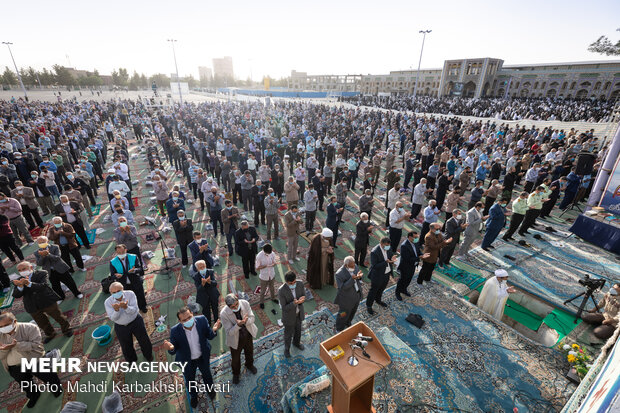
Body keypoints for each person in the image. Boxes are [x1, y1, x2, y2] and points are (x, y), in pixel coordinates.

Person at [0, 312, 63, 408]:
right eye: (1, 326)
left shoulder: (30, 328)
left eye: (6, 325)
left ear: (14, 321)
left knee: (48, 376)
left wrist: (16, 345)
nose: (4, 328)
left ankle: (56, 388)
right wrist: (5, 349)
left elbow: (36, 346)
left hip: (34, 360)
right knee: (25, 383)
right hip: (14, 367)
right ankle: (34, 395)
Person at [163, 307, 222, 408]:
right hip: (187, 360)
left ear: (192, 314)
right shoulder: (175, 331)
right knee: (190, 380)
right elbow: (173, 349)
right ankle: (193, 396)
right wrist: (171, 348)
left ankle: (210, 390)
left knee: (207, 374)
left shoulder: (202, 320)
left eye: (189, 317)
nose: (187, 321)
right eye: (184, 320)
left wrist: (214, 330)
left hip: (202, 356)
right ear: (179, 321)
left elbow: (209, 335)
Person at [11, 261, 72, 343]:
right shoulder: (18, 280)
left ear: (31, 268)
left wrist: (29, 283)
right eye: (20, 270)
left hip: (46, 301)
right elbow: (16, 295)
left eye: (24, 269)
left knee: (59, 317)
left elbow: (43, 286)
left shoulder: (42, 273)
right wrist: (20, 287)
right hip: (32, 305)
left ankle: (67, 330)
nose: (22, 271)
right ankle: (50, 334)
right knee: (42, 323)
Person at [105, 282, 153, 362]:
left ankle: (148, 356)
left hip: (135, 321)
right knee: (126, 346)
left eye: (119, 291)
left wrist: (126, 307)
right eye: (114, 292)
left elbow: (135, 310)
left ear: (123, 289)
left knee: (144, 341)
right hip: (121, 326)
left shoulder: (130, 294)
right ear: (110, 293)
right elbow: (113, 318)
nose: (117, 293)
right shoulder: (108, 302)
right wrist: (116, 310)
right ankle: (132, 361)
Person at [219, 294, 258, 384]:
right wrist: (238, 325)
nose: (236, 307)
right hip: (235, 339)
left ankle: (249, 365)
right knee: (235, 358)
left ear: (238, 301)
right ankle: (236, 373)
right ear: (228, 307)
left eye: (237, 304)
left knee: (249, 351)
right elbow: (229, 332)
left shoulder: (244, 303)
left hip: (247, 334)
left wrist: (245, 322)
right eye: (233, 306)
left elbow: (252, 318)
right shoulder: (224, 314)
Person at [34, 236, 82, 301]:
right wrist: (42, 256)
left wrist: (48, 254)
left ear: (47, 241)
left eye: (43, 242)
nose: (41, 243)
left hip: (60, 268)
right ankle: (61, 297)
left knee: (69, 282)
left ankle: (77, 293)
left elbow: (57, 257)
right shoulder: (37, 252)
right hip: (49, 271)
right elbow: (39, 263)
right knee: (55, 285)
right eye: (40, 242)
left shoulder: (55, 247)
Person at [109, 244, 147, 313]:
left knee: (140, 294)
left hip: (135, 280)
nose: (121, 254)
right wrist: (116, 275)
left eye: (122, 252)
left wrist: (134, 270)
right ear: (116, 253)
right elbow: (112, 275)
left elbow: (140, 269)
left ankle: (143, 307)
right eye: (119, 253)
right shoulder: (113, 262)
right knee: (128, 299)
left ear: (126, 250)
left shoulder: (133, 257)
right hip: (123, 284)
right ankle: (132, 309)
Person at [278, 271, 306, 358]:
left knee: (298, 331)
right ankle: (287, 349)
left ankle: (296, 343)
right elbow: (284, 307)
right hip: (289, 317)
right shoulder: (281, 290)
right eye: (291, 283)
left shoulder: (300, 283)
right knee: (288, 335)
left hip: (298, 313)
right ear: (286, 282)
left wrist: (302, 299)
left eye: (294, 282)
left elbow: (303, 295)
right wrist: (294, 303)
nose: (293, 284)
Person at [366, 237, 396, 315]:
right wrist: (386, 262)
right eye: (386, 245)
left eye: (388, 245)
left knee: (382, 288)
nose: (388, 247)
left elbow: (390, 255)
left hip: (386, 273)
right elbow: (375, 266)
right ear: (381, 244)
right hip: (377, 275)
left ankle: (378, 300)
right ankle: (369, 305)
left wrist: (392, 259)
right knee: (373, 290)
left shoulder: (388, 247)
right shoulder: (374, 252)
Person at [334, 256, 363, 332]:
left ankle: (348, 322)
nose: (354, 267)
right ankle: (339, 328)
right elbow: (342, 288)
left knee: (353, 311)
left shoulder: (355, 266)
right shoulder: (339, 274)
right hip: (346, 300)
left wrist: (359, 277)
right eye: (352, 266)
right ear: (346, 265)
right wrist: (352, 279)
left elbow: (358, 278)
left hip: (356, 295)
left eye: (354, 265)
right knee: (343, 314)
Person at [396, 231, 426, 300]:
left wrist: (421, 254)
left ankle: (404, 290)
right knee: (402, 280)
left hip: (413, 265)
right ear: (410, 237)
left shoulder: (416, 242)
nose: (416, 239)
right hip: (405, 266)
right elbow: (407, 258)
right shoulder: (404, 246)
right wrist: (419, 258)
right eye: (415, 237)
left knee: (409, 279)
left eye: (417, 237)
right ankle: (397, 292)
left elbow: (418, 251)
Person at [190, 260, 220, 325]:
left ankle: (217, 322)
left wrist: (210, 282)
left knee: (215, 309)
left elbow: (215, 283)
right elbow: (198, 289)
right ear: (197, 269)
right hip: (203, 297)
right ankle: (208, 324)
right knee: (206, 312)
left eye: (204, 266)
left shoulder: (210, 272)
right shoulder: (196, 276)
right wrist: (202, 284)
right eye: (200, 267)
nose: (203, 268)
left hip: (213, 294)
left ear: (206, 265)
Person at [255, 243, 278, 309]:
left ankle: (273, 298)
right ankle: (261, 302)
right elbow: (257, 268)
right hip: (264, 276)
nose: (268, 255)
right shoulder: (259, 256)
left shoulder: (272, 253)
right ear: (263, 250)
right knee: (263, 290)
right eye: (267, 254)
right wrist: (264, 266)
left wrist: (274, 264)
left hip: (272, 274)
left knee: (272, 288)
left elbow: (274, 261)